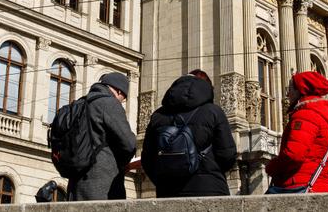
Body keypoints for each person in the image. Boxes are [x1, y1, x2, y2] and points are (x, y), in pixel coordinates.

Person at [142, 69, 237, 197]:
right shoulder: (213, 111)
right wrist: (211, 171)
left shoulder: (158, 116)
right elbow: (227, 154)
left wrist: (163, 180)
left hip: (168, 192)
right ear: (206, 88)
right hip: (209, 189)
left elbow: (147, 159)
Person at [265, 71, 328, 193]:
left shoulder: (305, 115)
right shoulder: (324, 115)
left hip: (298, 185)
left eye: (290, 89)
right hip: (319, 185)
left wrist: (272, 167)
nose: (288, 94)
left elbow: (294, 154)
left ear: (300, 90)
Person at [68, 72, 136, 201]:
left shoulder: (80, 103)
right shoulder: (109, 103)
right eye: (124, 98)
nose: (122, 101)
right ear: (119, 91)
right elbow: (129, 143)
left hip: (76, 179)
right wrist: (124, 163)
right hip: (103, 181)